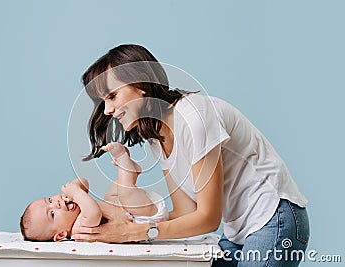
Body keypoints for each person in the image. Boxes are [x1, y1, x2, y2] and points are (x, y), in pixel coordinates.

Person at [76, 44, 310, 266]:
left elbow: (208, 218)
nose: (107, 110)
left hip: (274, 218)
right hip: (238, 231)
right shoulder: (157, 138)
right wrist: (123, 222)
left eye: (112, 96)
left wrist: (135, 233)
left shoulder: (194, 116)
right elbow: (186, 212)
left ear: (141, 84)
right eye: (103, 101)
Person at [20, 142, 168, 242]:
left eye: (50, 200)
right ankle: (123, 161)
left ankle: (129, 171)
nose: (56, 204)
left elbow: (84, 183)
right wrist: (76, 193)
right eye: (52, 214)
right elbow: (94, 213)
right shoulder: (79, 228)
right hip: (141, 220)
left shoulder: (76, 205)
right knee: (123, 192)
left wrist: (74, 188)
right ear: (61, 234)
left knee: (111, 196)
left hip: (130, 210)